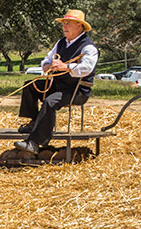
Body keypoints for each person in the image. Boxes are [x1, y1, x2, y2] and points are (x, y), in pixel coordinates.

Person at [14, 9, 99, 155]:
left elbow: (87, 68)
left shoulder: (88, 47)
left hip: (76, 90)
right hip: (58, 85)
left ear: (79, 26)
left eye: (68, 23)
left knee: (50, 102)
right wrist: (47, 66)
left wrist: (65, 67)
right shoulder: (60, 43)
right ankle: (34, 122)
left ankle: (35, 143)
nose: (64, 26)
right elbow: (47, 59)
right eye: (63, 23)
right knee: (30, 85)